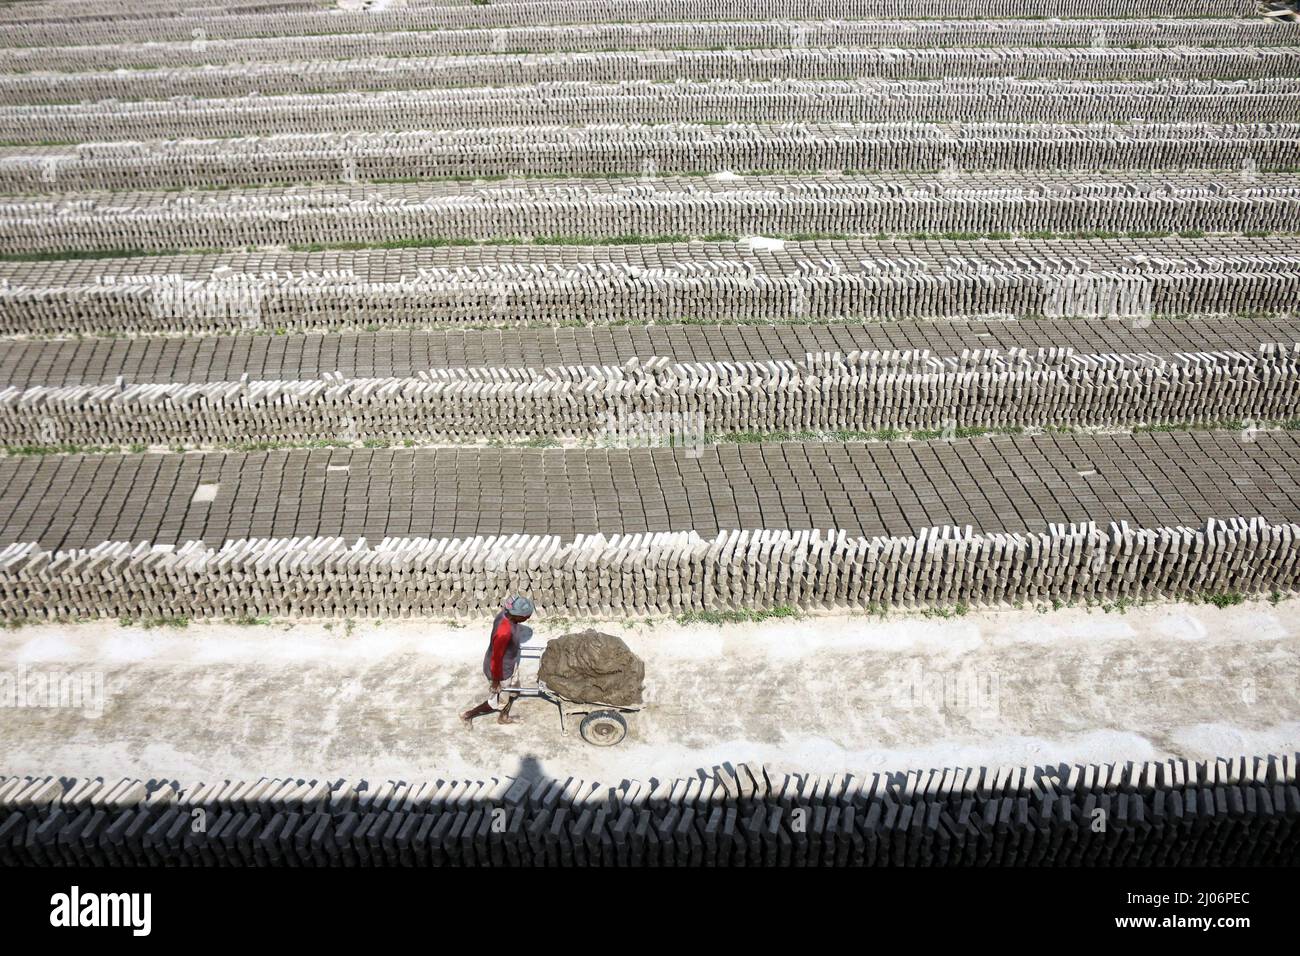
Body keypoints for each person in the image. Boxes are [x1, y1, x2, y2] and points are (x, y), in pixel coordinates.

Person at [460, 595, 534, 727]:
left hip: (509, 663)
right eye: (526, 616)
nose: (527, 618)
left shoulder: (505, 614)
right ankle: (468, 715)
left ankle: (504, 716)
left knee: (513, 690)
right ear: (517, 615)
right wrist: (496, 681)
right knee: (496, 702)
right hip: (500, 671)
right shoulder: (504, 632)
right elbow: (496, 657)